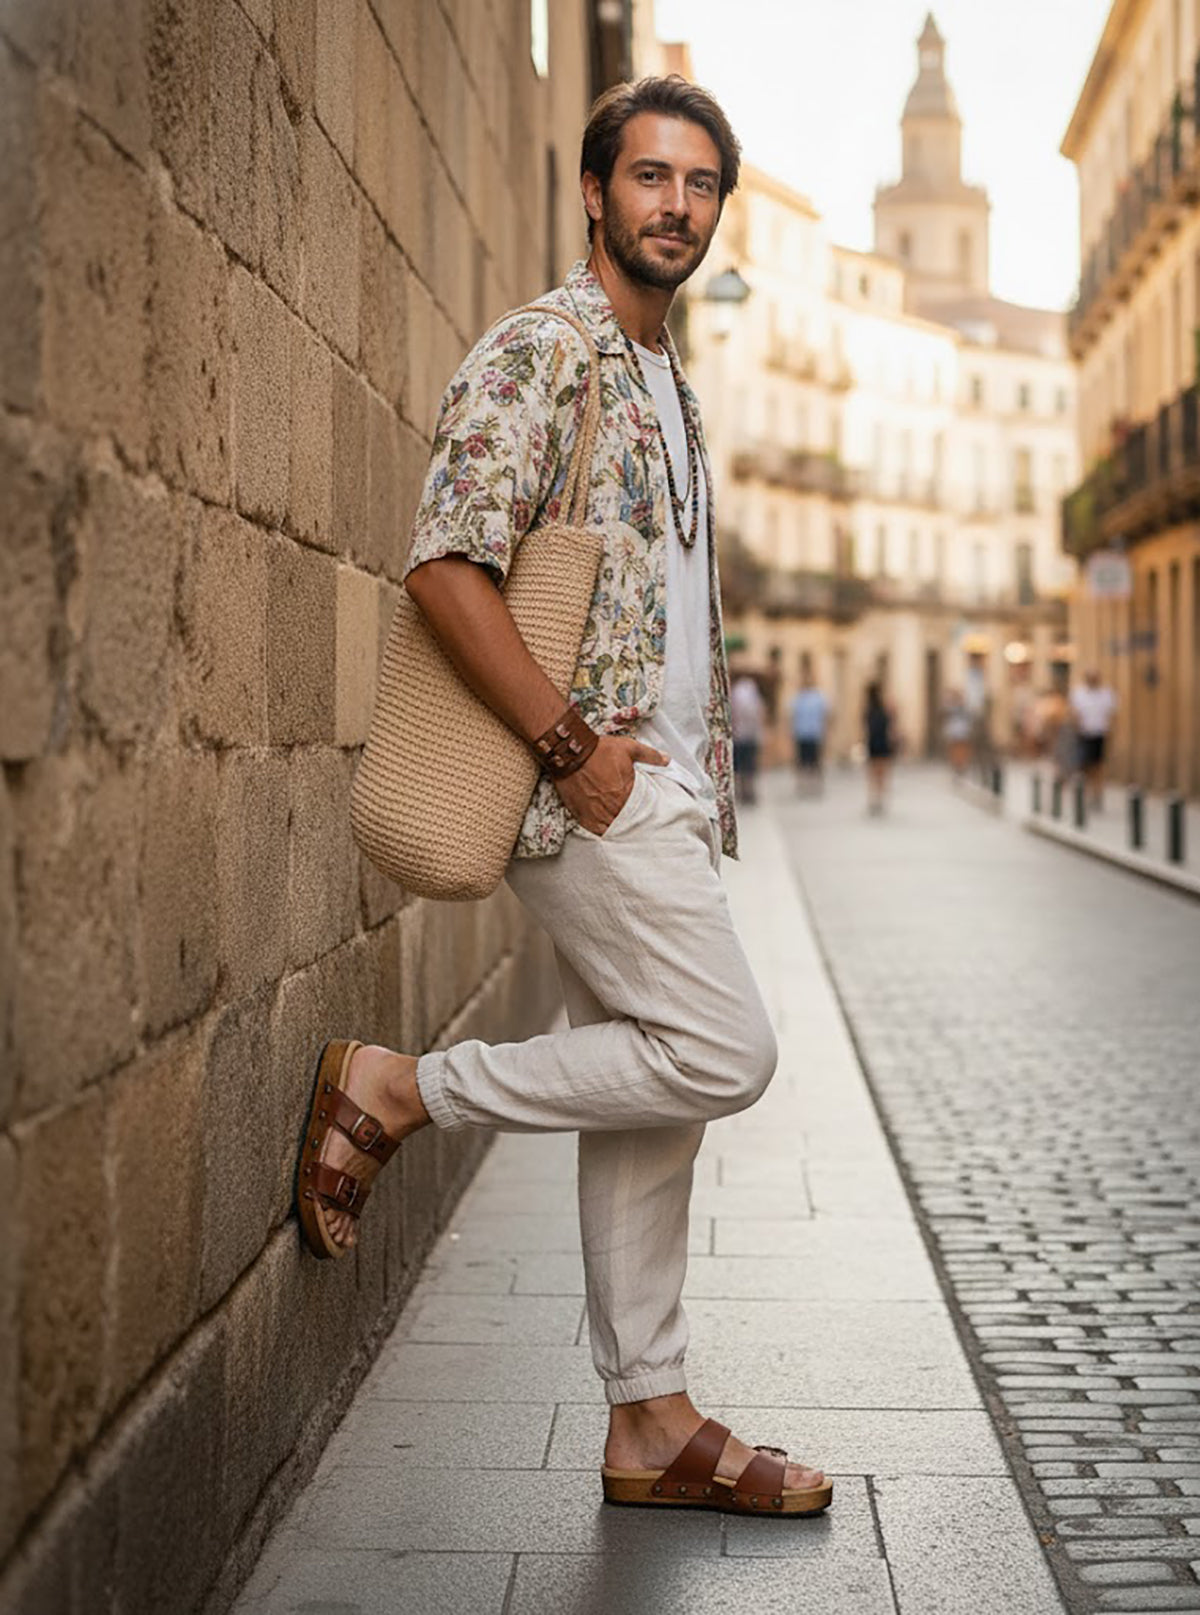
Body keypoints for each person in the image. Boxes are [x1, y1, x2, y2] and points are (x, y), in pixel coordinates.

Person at [293, 76, 831, 1518]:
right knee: (725, 1048)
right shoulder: (546, 349)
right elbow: (446, 561)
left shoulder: (672, 388)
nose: (675, 204)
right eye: (648, 177)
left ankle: (648, 1418)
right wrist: (572, 748)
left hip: (661, 790)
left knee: (656, 1097)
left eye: (700, 183)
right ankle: (404, 1087)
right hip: (579, 789)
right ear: (594, 194)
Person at [1070, 668, 1117, 808]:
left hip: (1100, 733)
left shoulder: (1106, 694)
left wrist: (1111, 734)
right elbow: (1075, 715)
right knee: (1085, 766)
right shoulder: (1079, 694)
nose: (1093, 680)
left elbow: (1112, 716)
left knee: (1098, 765)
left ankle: (1097, 794)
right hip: (1084, 734)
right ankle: (1087, 793)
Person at [790, 666, 830, 793]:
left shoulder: (818, 697)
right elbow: (792, 716)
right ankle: (803, 785)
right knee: (802, 762)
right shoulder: (798, 697)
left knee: (815, 761)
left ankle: (815, 785)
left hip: (814, 733)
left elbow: (826, 715)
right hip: (802, 733)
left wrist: (826, 731)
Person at [730, 671, 766, 805]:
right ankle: (748, 792)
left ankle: (742, 792)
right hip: (749, 736)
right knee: (749, 766)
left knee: (740, 767)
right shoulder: (752, 694)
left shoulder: (735, 693)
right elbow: (758, 713)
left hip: (738, 736)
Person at [864, 681, 895, 814]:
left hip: (872, 743)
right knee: (882, 772)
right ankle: (880, 797)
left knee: (873, 772)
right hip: (883, 742)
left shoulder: (868, 709)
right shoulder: (885, 708)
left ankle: (874, 798)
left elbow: (865, 728)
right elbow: (891, 727)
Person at [941, 688, 972, 776]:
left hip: (962, 732)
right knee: (955, 749)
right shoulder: (950, 708)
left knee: (961, 749)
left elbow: (968, 719)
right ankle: (957, 764)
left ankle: (961, 764)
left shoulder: (964, 708)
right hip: (955, 732)